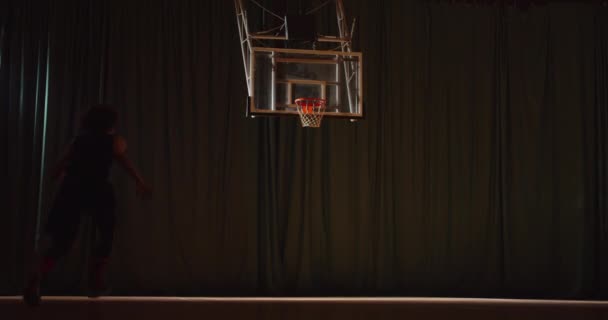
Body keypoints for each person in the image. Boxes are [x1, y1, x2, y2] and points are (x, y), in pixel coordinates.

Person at [23, 104, 151, 306]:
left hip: (73, 188)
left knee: (62, 243)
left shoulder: (79, 141)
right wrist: (140, 181)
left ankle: (39, 275)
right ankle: (96, 277)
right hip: (97, 188)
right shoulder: (114, 142)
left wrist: (58, 174)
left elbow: (60, 165)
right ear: (110, 124)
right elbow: (124, 160)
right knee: (107, 232)